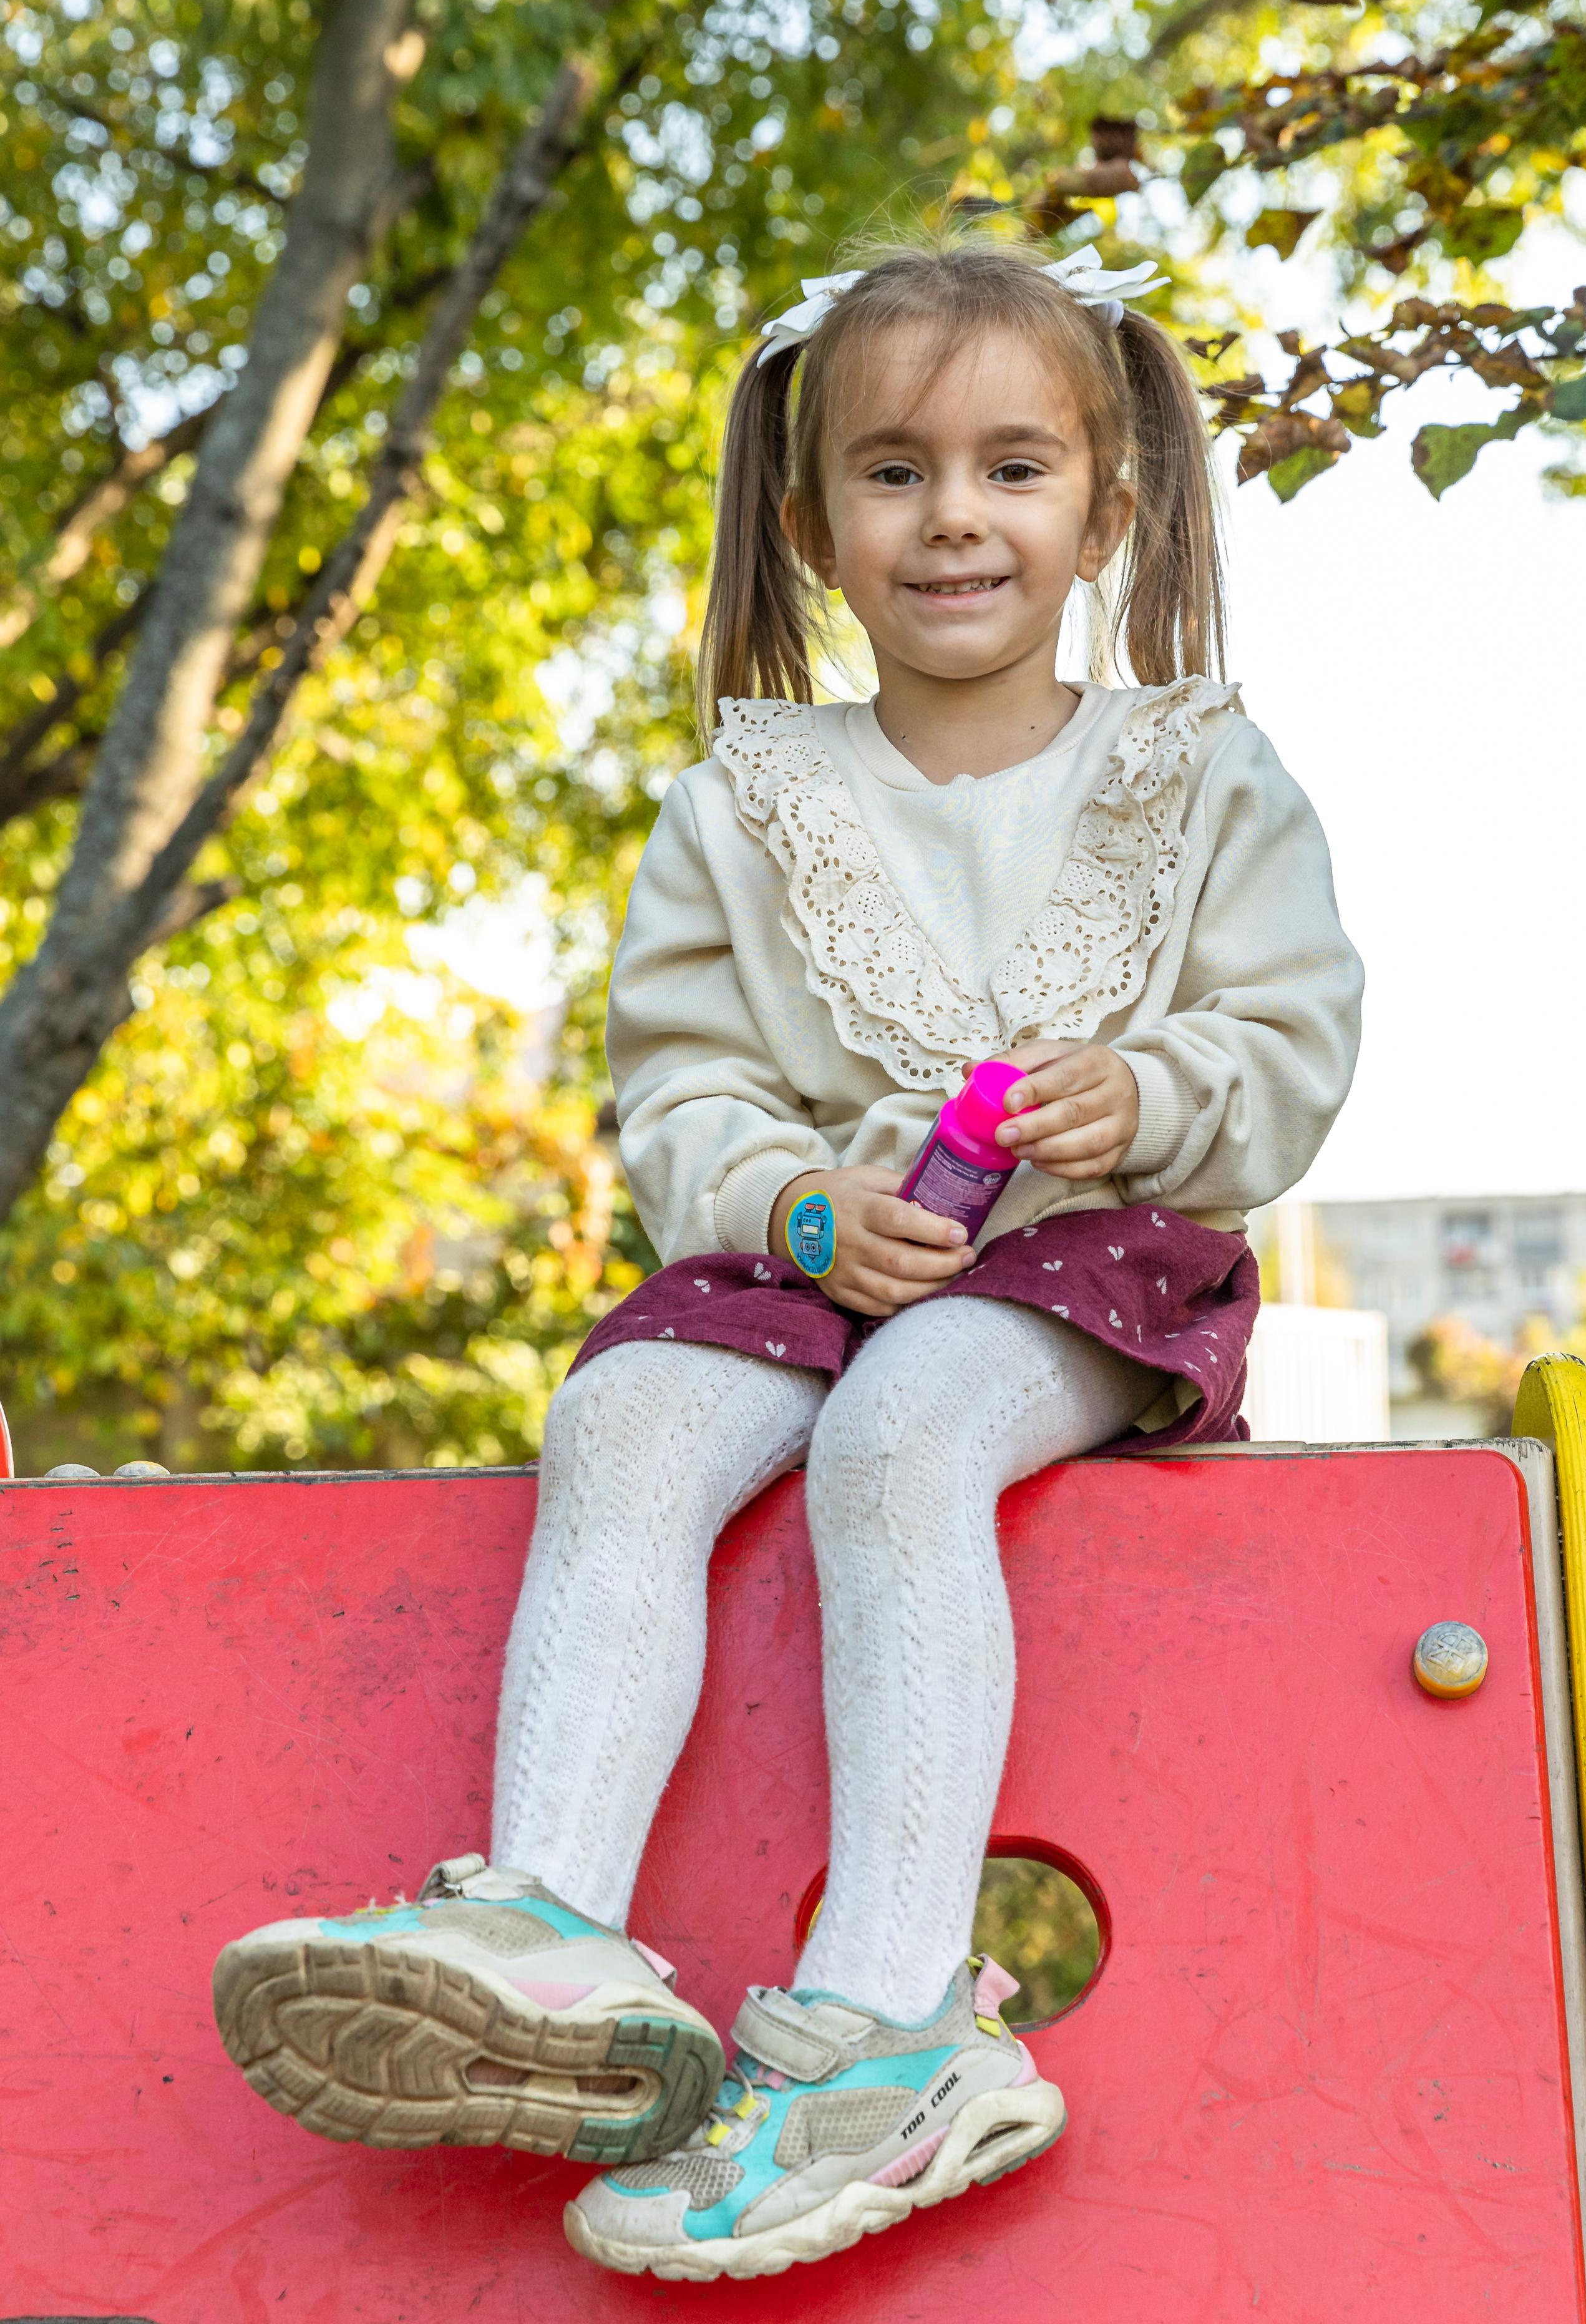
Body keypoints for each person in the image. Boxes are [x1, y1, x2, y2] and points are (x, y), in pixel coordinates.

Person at [212, 232, 1362, 2282]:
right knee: (632, 1416)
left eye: (1015, 468)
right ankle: (541, 1924)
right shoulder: (748, 801)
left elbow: (1290, 1045)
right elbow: (681, 1091)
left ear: (1107, 504)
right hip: (830, 1259)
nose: (955, 518)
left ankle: (892, 2021)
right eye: (895, 471)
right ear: (815, 520)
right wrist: (793, 1207)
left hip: (1088, 1270)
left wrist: (1153, 1087)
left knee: (903, 1440)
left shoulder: (1199, 775)